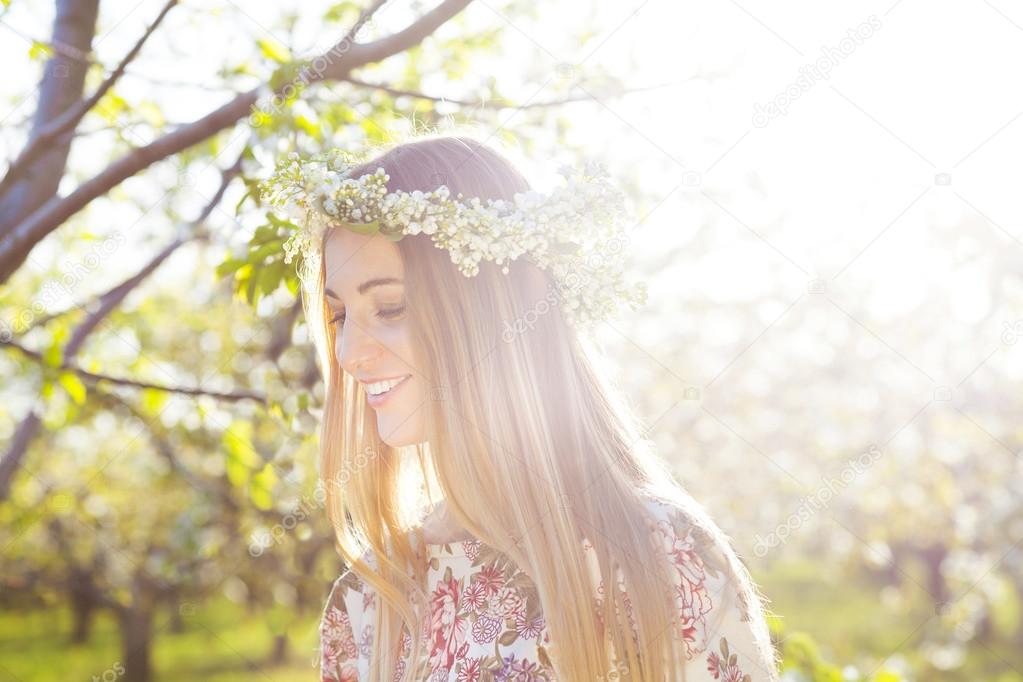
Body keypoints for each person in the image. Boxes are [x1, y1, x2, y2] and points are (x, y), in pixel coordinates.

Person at [265, 134, 779, 680]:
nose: (348, 353)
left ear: (490, 311)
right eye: (340, 315)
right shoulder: (370, 602)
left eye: (390, 306)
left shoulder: (655, 558)